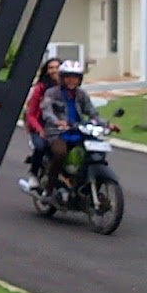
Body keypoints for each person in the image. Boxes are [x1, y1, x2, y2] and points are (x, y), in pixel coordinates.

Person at [38, 60, 113, 193]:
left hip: (78, 130)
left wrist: (106, 124)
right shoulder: (52, 93)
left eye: (75, 77)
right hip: (58, 133)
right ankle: (49, 187)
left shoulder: (81, 94)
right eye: (68, 77)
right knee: (60, 153)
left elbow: (92, 112)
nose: (71, 80)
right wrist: (57, 121)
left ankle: (82, 181)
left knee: (93, 153)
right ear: (62, 78)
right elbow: (47, 111)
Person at [21, 57, 60, 185]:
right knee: (41, 146)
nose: (54, 70)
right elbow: (31, 114)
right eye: (51, 68)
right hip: (39, 125)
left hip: (59, 126)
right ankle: (33, 173)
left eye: (57, 67)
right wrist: (39, 130)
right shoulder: (40, 88)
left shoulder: (68, 87)